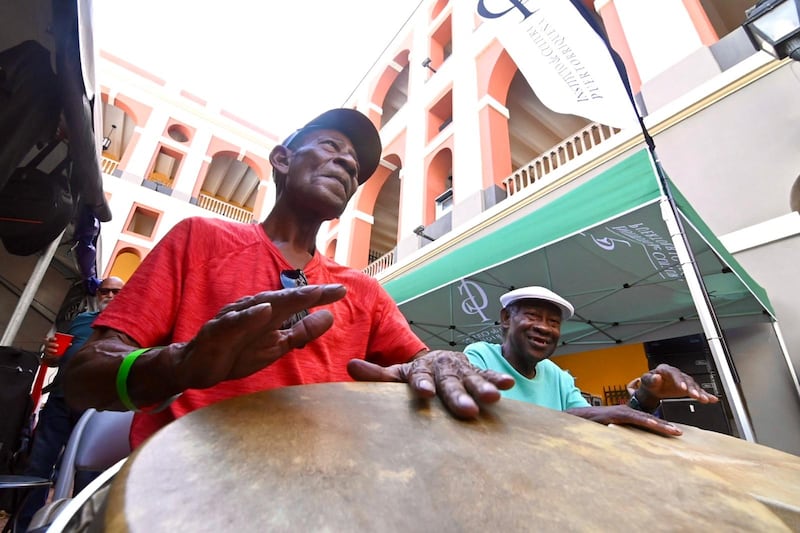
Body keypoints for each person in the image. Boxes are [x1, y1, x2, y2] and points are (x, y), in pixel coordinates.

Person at [64, 109, 514, 448]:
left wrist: (438, 364)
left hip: (323, 491)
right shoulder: (198, 238)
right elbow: (83, 378)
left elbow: (422, 360)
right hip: (182, 488)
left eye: (354, 167)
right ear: (282, 159)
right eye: (332, 147)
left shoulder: (365, 292)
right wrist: (179, 365)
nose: (347, 165)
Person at [465, 286, 720, 436]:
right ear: (506, 318)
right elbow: (492, 423)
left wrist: (647, 396)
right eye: (533, 316)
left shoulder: (559, 377)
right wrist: (598, 414)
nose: (544, 328)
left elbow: (599, 422)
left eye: (553, 323)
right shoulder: (479, 356)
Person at [17, 276, 125, 531]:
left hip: (97, 408)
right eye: (104, 291)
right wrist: (52, 355)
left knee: (89, 473)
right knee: (38, 466)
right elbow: (55, 361)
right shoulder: (81, 321)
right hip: (60, 402)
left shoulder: (129, 325)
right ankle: (26, 526)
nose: (108, 296)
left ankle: (81, 527)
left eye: (115, 292)